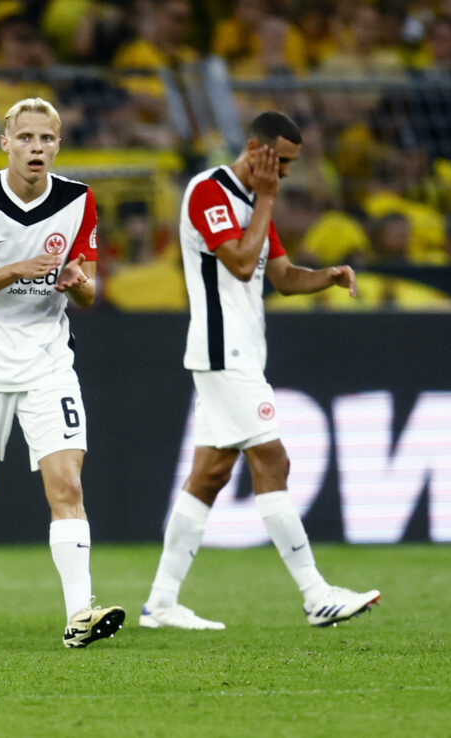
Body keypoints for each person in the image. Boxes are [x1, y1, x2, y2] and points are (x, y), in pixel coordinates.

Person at [139, 111, 381, 630]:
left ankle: (161, 601)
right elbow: (242, 263)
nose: (286, 174)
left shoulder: (252, 202)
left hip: (239, 352)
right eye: (282, 162)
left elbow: (283, 278)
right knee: (274, 461)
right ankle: (316, 595)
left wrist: (329, 277)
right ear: (256, 149)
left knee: (210, 475)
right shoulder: (209, 192)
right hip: (224, 352)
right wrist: (268, 200)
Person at [0, 97, 124, 650]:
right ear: (6, 143)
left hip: (47, 361)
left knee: (67, 484)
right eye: (26, 138)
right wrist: (16, 267)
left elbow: (89, 292)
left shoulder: (79, 200)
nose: (35, 148)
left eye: (46, 139)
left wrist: (78, 282)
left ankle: (79, 615)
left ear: (58, 146)